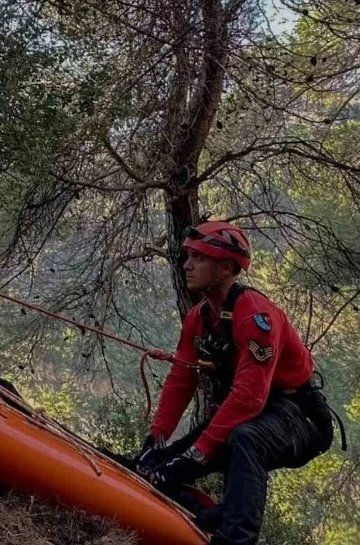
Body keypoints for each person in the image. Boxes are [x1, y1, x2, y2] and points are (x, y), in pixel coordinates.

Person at [133, 221, 338, 545]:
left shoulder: (257, 317)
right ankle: (210, 517)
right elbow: (180, 381)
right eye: (187, 256)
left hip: (300, 416)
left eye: (199, 258)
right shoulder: (198, 318)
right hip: (254, 413)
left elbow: (248, 397)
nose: (187, 265)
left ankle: (236, 539)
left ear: (227, 268)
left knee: (245, 439)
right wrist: (154, 441)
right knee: (162, 464)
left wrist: (197, 455)